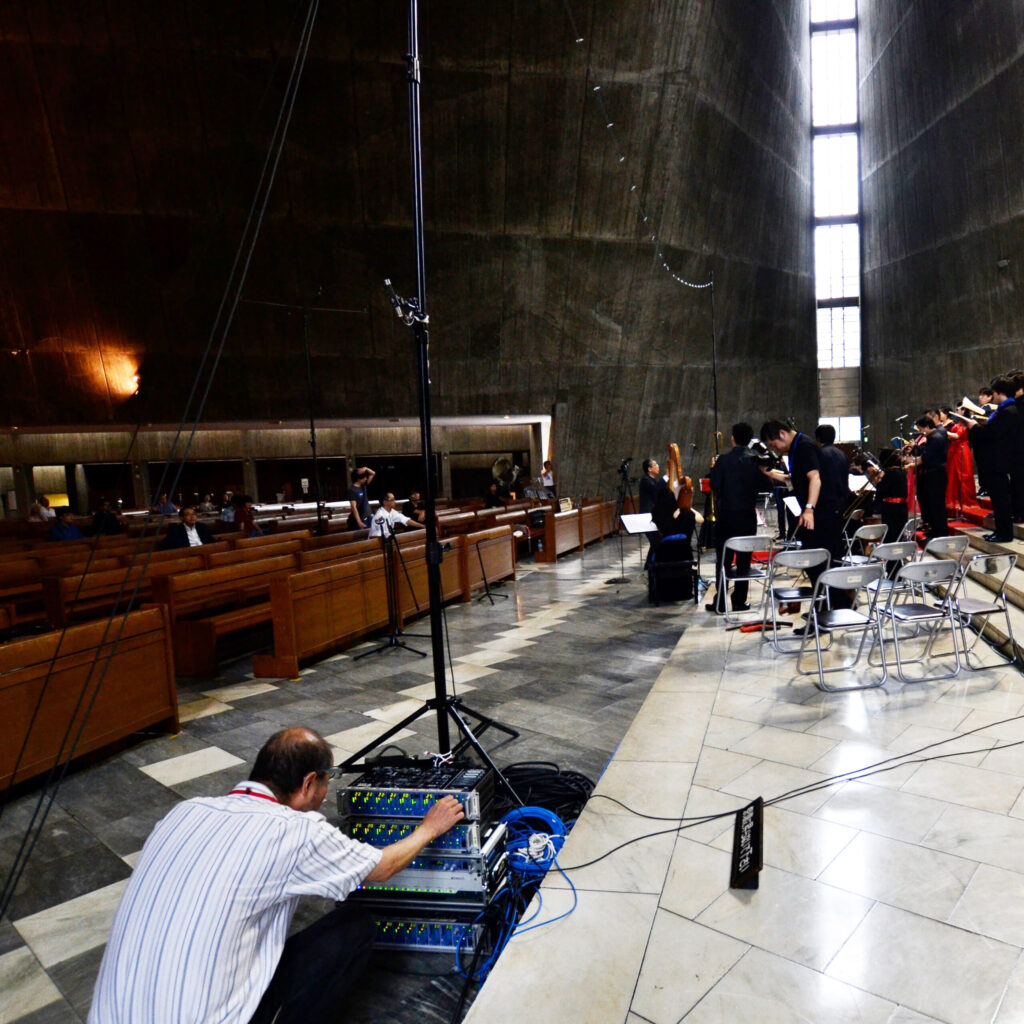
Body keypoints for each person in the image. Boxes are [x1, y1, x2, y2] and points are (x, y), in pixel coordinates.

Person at [89, 727, 464, 1024]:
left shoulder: (184, 811)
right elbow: (381, 868)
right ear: (307, 783)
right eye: (325, 783)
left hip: (111, 1016)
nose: (323, 793)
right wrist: (429, 828)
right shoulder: (295, 831)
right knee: (354, 925)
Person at [761, 420, 848, 624]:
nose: (776, 449)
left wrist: (809, 509)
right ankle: (827, 609)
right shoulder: (797, 447)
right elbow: (797, 479)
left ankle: (829, 610)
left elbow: (815, 478)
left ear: (782, 434)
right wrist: (771, 474)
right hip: (818, 514)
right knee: (816, 565)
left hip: (821, 516)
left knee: (819, 563)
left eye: (774, 445)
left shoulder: (804, 446)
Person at [707, 423, 764, 614]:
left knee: (723, 560)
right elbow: (766, 485)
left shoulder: (723, 460)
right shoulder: (755, 460)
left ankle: (720, 602)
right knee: (744, 561)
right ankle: (739, 601)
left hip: (726, 518)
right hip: (747, 517)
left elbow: (714, 484)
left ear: (733, 438)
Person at [964, 375, 1018, 542]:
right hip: (997, 461)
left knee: (1001, 500)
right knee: (998, 499)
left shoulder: (1008, 411)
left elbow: (993, 435)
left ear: (999, 393)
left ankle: (1004, 533)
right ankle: (1000, 531)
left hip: (998, 462)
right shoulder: (1007, 410)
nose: (992, 396)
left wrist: (974, 427)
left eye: (994, 393)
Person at [910, 414, 948, 539]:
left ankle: (940, 531)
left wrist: (912, 462)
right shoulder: (932, 437)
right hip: (933, 474)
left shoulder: (935, 437)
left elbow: (927, 457)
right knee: (932, 504)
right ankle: (935, 529)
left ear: (926, 426)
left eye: (921, 429)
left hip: (936, 474)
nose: (920, 432)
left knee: (937, 505)